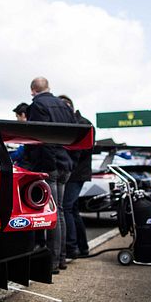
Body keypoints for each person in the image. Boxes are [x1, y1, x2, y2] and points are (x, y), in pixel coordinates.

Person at [24, 77, 76, 273]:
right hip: (66, 163)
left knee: (53, 213)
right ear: (48, 88)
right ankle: (61, 259)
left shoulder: (37, 105)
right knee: (60, 211)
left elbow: (39, 138)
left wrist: (44, 166)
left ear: (32, 91)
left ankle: (53, 262)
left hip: (51, 164)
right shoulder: (64, 106)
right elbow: (74, 136)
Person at [58, 95, 93, 258]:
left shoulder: (83, 124)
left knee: (66, 208)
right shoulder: (77, 123)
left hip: (76, 173)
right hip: (75, 172)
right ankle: (82, 248)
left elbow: (83, 150)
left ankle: (71, 247)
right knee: (73, 209)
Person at [9, 103, 29, 167]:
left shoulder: (27, 130)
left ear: (23, 115)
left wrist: (8, 155)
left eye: (17, 116)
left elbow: (19, 154)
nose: (17, 120)